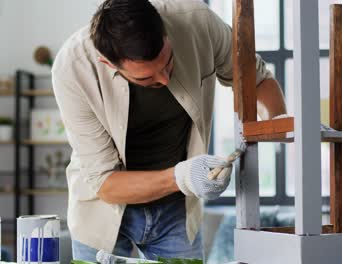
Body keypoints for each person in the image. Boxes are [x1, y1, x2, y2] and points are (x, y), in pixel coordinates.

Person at [52, 0, 287, 261]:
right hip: (103, 212)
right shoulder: (72, 70)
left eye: (168, 62)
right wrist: (182, 176)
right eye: (146, 78)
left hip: (176, 210)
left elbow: (258, 78)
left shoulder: (199, 23)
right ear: (108, 64)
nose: (164, 79)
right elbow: (105, 183)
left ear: (165, 31)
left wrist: (277, 125)